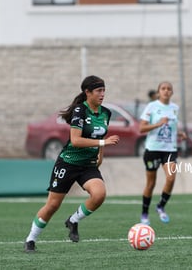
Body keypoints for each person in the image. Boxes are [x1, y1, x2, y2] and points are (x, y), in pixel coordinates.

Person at [23, 75, 120, 252]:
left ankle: (73, 220)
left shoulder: (106, 113)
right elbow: (75, 141)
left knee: (99, 195)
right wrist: (102, 144)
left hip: (88, 165)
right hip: (68, 163)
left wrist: (101, 153)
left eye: (104, 90)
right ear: (87, 92)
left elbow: (101, 135)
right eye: (99, 91)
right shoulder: (79, 111)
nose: (102, 94)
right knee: (52, 205)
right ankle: (30, 239)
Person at [139, 81, 186, 225]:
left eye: (169, 89)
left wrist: (179, 133)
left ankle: (160, 206)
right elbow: (141, 128)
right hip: (153, 149)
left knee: (171, 178)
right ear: (158, 92)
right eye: (163, 88)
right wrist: (158, 123)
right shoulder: (151, 107)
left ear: (172, 92)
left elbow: (170, 128)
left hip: (170, 150)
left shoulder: (174, 108)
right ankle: (145, 213)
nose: (166, 91)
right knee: (151, 184)